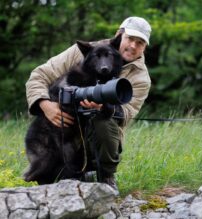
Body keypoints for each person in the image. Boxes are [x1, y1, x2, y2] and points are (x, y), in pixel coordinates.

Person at [25, 16, 152, 190]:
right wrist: (45, 105)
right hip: (64, 130)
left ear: (145, 47)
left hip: (99, 138)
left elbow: (127, 113)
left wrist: (104, 106)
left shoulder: (140, 78)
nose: (133, 46)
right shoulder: (85, 50)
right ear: (119, 34)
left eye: (140, 43)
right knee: (51, 170)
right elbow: (39, 76)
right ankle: (59, 174)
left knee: (104, 121)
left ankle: (106, 176)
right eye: (130, 38)